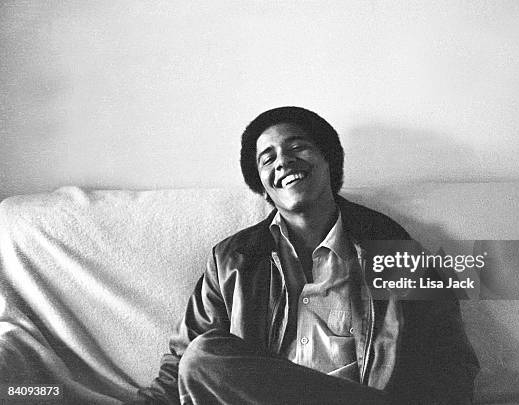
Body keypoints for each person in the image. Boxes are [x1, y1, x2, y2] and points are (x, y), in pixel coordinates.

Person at [135, 107, 479, 404]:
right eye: (267, 158)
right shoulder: (233, 261)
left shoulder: (391, 247)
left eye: (297, 147)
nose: (283, 161)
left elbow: (450, 360)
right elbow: (180, 367)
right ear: (262, 182)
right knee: (201, 358)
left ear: (329, 160)